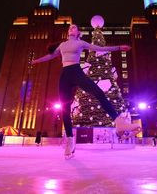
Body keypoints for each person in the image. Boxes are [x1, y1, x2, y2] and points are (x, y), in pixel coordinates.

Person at [32, 24, 141, 159]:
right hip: (65, 75)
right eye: (70, 27)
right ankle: (70, 141)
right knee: (64, 108)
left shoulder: (81, 43)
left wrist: (118, 48)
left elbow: (100, 48)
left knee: (99, 93)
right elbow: (51, 56)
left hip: (77, 72)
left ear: (78, 32)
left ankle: (119, 122)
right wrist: (36, 61)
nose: (71, 28)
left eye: (74, 27)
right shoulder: (62, 45)